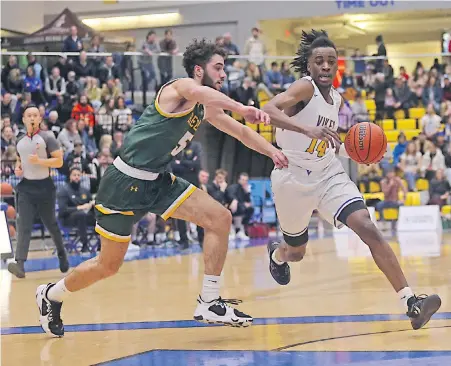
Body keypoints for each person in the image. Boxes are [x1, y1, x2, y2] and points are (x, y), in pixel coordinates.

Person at [35, 39, 288, 336]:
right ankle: (52, 294)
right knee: (108, 265)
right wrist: (240, 106)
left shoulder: (206, 108)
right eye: (217, 67)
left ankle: (210, 300)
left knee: (220, 218)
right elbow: (197, 91)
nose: (223, 74)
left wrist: (273, 153)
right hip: (123, 182)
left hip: (157, 180)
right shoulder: (178, 88)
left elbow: (242, 132)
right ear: (198, 69)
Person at [261, 30, 441, 331]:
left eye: (331, 61)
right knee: (297, 253)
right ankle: (277, 254)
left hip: (327, 172)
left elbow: (326, 143)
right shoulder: (304, 88)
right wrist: (307, 131)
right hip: (292, 178)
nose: (326, 66)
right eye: (319, 61)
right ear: (309, 66)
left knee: (368, 227)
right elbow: (268, 109)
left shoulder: (336, 99)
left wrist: (356, 152)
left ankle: (411, 303)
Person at [7, 104, 69, 278]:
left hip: (45, 187)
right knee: (23, 224)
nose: (33, 118)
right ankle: (20, 264)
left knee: (51, 224)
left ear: (40, 119)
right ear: (24, 119)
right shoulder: (19, 139)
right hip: (26, 187)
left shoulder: (48, 137)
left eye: (36, 115)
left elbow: (59, 162)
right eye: (29, 115)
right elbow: (19, 160)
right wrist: (18, 168)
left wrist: (40, 161)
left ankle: (62, 254)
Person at [58, 167, 96, 252]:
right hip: (68, 219)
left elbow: (90, 203)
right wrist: (79, 208)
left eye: (78, 175)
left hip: (85, 217)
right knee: (80, 214)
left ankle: (102, 244)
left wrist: (93, 204)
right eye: (74, 175)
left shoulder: (84, 190)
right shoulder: (63, 190)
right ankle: (85, 244)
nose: (77, 177)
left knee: (100, 213)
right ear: (70, 176)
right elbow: (63, 210)